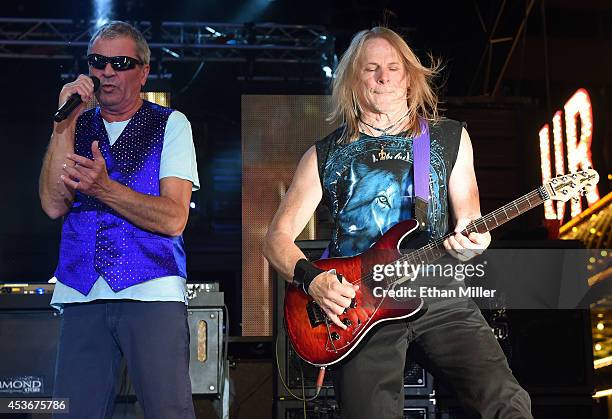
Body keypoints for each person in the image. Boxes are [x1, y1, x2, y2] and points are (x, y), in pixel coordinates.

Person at [263, 27, 532, 418]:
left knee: (503, 397)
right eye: (370, 68)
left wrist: (474, 241)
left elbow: (472, 218)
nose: (383, 77)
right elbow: (276, 239)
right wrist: (313, 279)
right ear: (353, 81)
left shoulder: (448, 137)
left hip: (439, 291)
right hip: (360, 306)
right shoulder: (324, 154)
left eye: (393, 67)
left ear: (410, 75)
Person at [39, 21, 198, 418]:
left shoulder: (171, 125)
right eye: (98, 62)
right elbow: (52, 204)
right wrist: (64, 123)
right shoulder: (73, 125)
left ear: (143, 71)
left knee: (168, 411)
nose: (107, 72)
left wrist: (104, 188)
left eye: (120, 62)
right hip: (81, 291)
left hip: (151, 291)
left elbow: (175, 218)